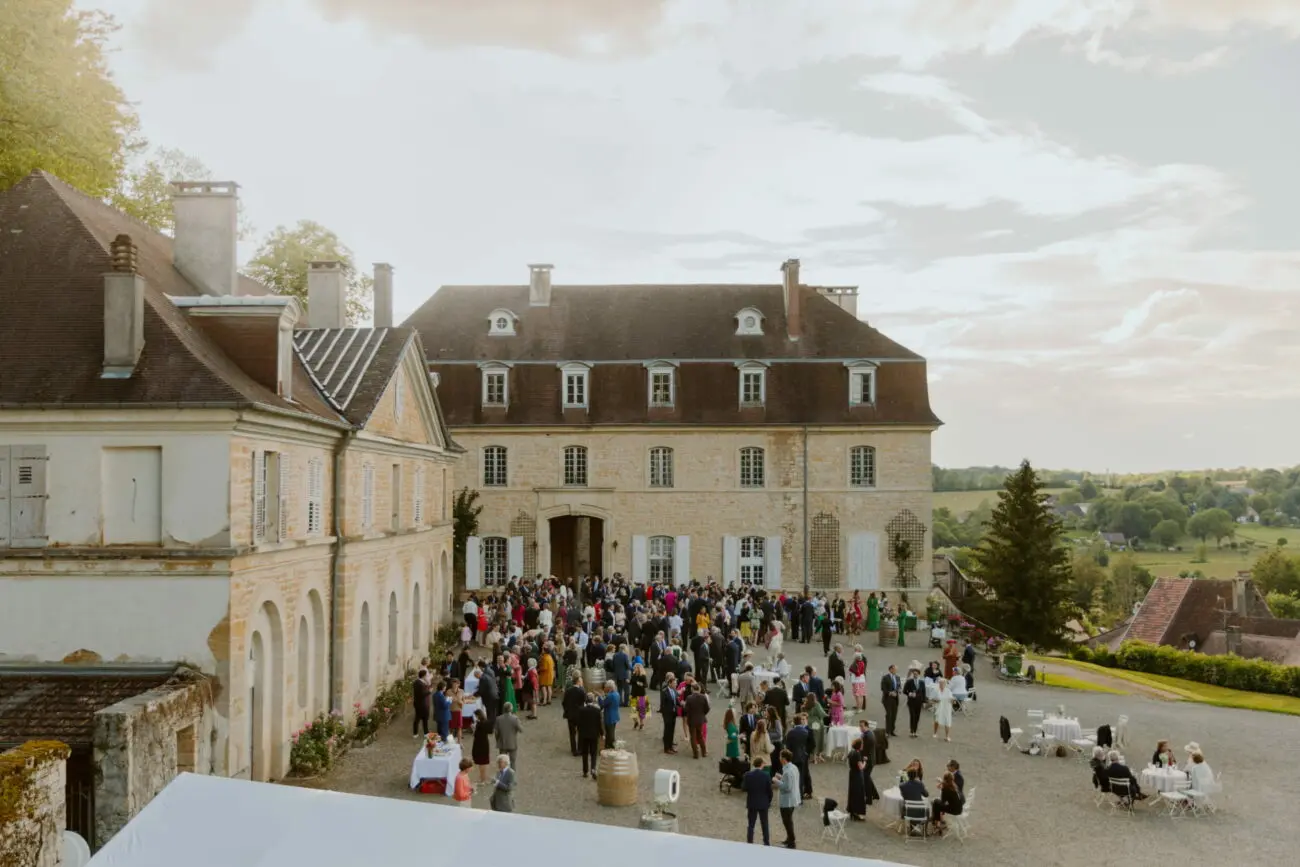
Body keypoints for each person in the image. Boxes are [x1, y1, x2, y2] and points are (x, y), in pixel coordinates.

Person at [742, 757, 774, 846]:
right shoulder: (766, 775)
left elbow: (744, 788)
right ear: (761, 764)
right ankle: (766, 842)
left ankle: (750, 842)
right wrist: (768, 801)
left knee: (751, 824)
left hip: (752, 802)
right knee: (765, 824)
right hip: (763, 803)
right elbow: (770, 791)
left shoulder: (747, 775)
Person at [775, 749, 801, 849]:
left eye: (780, 756)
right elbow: (790, 781)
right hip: (793, 799)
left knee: (787, 822)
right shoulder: (793, 767)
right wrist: (781, 777)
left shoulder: (788, 771)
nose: (779, 758)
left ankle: (791, 842)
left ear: (784, 759)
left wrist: (776, 781)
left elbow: (787, 787)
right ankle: (789, 839)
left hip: (787, 801)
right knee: (788, 821)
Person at [785, 714, 813, 799]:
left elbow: (787, 745)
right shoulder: (805, 732)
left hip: (793, 757)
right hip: (802, 757)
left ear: (794, 722)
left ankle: (793, 795)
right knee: (800, 777)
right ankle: (800, 796)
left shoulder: (790, 732)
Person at [578, 693, 603, 778]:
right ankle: (593, 769)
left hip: (584, 735)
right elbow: (599, 724)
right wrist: (602, 734)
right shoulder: (597, 711)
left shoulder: (581, 710)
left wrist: (579, 731)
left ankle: (585, 771)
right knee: (593, 753)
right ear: (593, 700)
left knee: (585, 753)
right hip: (594, 735)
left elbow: (578, 723)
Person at [684, 682, 711, 759]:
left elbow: (686, 710)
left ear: (692, 689)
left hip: (692, 720)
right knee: (700, 736)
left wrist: (683, 705)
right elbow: (707, 708)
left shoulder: (689, 698)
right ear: (699, 689)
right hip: (700, 720)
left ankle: (696, 754)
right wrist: (702, 714)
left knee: (693, 737)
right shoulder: (703, 697)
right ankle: (704, 752)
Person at [494, 702, 522, 772]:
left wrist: (497, 740)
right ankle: (512, 778)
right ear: (511, 709)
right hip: (512, 743)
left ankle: (503, 776)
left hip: (502, 743)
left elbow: (496, 732)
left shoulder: (498, 719)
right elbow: (521, 729)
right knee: (512, 762)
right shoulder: (515, 719)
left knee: (502, 762)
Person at [562, 675, 586, 756]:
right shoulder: (581, 691)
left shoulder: (568, 691)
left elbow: (564, 702)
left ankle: (574, 750)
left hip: (570, 715)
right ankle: (580, 749)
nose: (582, 682)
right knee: (581, 732)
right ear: (578, 682)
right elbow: (584, 702)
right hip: (579, 715)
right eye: (581, 681)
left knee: (572, 733)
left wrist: (567, 710)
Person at [846, 738, 868, 821]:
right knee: (858, 793)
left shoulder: (852, 752)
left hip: (852, 773)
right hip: (857, 775)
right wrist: (865, 761)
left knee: (852, 792)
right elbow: (861, 767)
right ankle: (856, 812)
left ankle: (852, 811)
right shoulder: (857, 754)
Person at [903, 665, 926, 738]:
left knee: (917, 716)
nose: (915, 675)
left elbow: (924, 692)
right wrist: (909, 693)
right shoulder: (909, 682)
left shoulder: (922, 682)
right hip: (911, 702)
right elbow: (904, 691)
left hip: (918, 702)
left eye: (916, 674)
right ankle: (911, 730)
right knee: (912, 716)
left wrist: (924, 701)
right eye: (914, 674)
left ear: (919, 674)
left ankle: (915, 731)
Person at [659, 673, 679, 754]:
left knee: (672, 731)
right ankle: (666, 748)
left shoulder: (674, 691)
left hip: (673, 713)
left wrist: (682, 704)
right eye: (674, 683)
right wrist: (665, 713)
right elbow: (663, 704)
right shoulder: (664, 692)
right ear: (670, 683)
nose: (676, 684)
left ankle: (671, 746)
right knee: (667, 731)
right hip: (667, 715)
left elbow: (676, 701)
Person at [880, 664, 902, 737]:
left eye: (896, 669)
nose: (896, 671)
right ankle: (887, 731)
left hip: (895, 699)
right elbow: (883, 688)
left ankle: (892, 730)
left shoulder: (898, 677)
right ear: (890, 669)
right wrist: (890, 693)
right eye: (895, 669)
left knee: (894, 715)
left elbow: (899, 686)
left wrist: (899, 690)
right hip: (888, 699)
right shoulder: (885, 677)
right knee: (889, 715)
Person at [471, 709, 492, 784]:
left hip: (479, 744)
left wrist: (473, 728)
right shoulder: (486, 722)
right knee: (483, 762)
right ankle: (483, 777)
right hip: (485, 743)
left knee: (481, 763)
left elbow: (476, 735)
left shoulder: (479, 724)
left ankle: (483, 778)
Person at [932, 677, 954, 742]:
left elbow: (951, 699)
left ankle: (947, 736)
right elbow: (932, 699)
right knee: (936, 720)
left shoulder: (948, 691)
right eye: (940, 683)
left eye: (943, 683)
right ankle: (935, 733)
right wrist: (935, 700)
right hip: (938, 707)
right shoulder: (936, 690)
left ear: (945, 684)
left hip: (946, 708)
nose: (941, 685)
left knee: (947, 721)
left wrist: (952, 700)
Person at [600, 681, 621, 747]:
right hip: (615, 715)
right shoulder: (617, 694)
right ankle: (608, 745)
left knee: (609, 733)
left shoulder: (610, 695)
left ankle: (611, 745)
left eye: (606, 687)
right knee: (612, 731)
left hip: (609, 716)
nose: (605, 688)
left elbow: (603, 704)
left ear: (609, 688)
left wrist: (599, 697)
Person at [412, 669, 431, 737]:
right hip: (422, 704)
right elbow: (422, 694)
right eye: (426, 676)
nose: (427, 677)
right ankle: (424, 733)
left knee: (420, 718)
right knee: (422, 718)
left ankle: (417, 733)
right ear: (423, 676)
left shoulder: (417, 682)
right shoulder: (420, 684)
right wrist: (429, 691)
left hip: (418, 703)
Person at [630, 662, 649, 730]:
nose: (634, 669)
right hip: (634, 694)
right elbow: (631, 682)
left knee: (641, 710)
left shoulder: (643, 676)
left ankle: (641, 723)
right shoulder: (633, 675)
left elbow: (646, 685)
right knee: (633, 710)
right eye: (634, 667)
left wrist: (641, 684)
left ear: (639, 668)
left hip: (641, 694)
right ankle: (636, 722)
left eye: (636, 668)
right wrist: (628, 681)